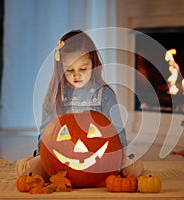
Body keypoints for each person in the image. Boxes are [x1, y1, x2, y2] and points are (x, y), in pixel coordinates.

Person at [16, 30, 132, 178]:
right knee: (31, 172)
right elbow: (46, 132)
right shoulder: (56, 96)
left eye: (83, 69)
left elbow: (117, 130)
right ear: (61, 68)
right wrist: (42, 153)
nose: (77, 75)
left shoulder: (104, 95)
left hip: (100, 158)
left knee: (131, 170)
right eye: (69, 70)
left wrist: (120, 153)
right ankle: (31, 162)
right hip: (61, 159)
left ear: (93, 63)